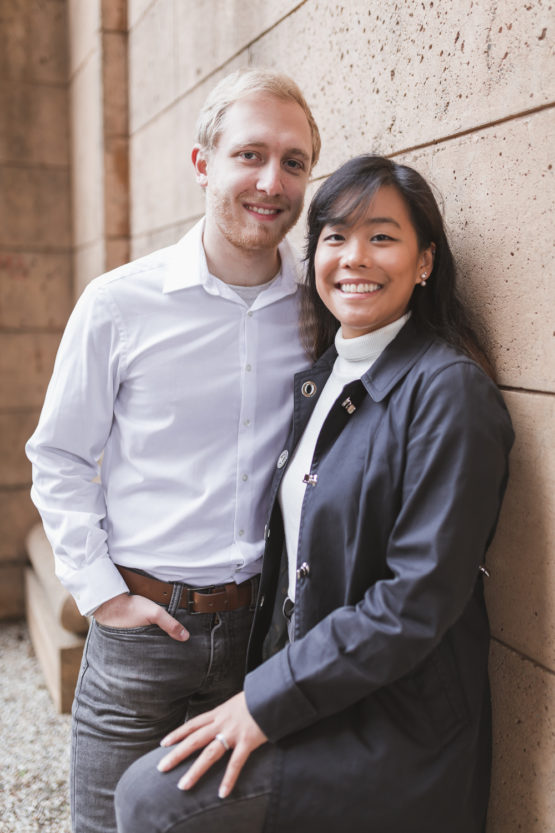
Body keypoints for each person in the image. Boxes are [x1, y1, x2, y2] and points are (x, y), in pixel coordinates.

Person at [114, 155, 515, 833]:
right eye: (334, 236)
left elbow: (416, 599)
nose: (354, 257)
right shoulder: (323, 375)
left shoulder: (448, 390)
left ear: (423, 261)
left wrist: (264, 701)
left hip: (392, 721)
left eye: (381, 237)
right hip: (313, 684)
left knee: (153, 801)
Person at [25, 68, 320, 833]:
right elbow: (58, 456)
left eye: (293, 161)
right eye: (249, 155)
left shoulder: (319, 312)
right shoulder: (120, 302)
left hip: (263, 635)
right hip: (142, 632)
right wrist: (100, 593)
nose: (270, 180)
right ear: (202, 164)